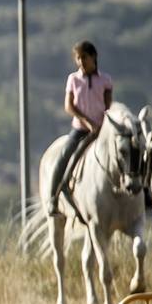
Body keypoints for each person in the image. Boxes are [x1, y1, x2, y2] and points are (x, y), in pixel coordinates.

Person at [50, 39, 113, 215]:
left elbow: (108, 106)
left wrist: (103, 125)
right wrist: (87, 122)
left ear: (93, 57)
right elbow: (69, 106)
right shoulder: (73, 79)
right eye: (78, 58)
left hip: (101, 130)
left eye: (84, 57)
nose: (81, 62)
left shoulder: (105, 80)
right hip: (80, 130)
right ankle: (53, 198)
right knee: (64, 156)